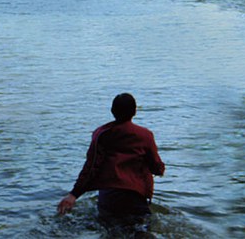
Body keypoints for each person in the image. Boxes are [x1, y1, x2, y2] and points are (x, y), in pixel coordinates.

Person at [57, 93, 165, 228]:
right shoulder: (145, 135)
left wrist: (73, 195)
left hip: (110, 196)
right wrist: (160, 169)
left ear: (112, 111)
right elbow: (156, 166)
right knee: (140, 231)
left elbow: (91, 167)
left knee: (110, 230)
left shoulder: (101, 133)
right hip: (136, 196)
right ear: (135, 111)